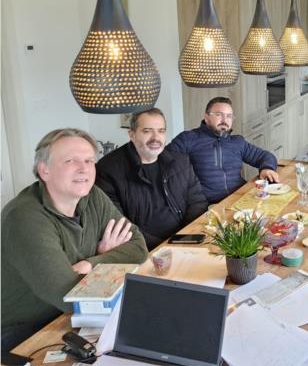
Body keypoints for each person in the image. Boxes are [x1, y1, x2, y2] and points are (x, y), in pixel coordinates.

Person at [1, 129, 148, 351]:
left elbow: (138, 247)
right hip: (24, 332)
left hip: (75, 317)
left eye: (89, 160)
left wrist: (92, 263)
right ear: (44, 170)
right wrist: (107, 258)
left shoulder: (92, 195)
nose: (83, 168)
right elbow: (69, 297)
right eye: (70, 160)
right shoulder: (24, 217)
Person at [96, 108, 208, 250]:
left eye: (161, 131)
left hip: (186, 240)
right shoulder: (108, 169)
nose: (156, 138)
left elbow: (197, 202)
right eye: (147, 131)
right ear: (132, 135)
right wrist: (164, 247)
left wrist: (186, 236)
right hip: (144, 249)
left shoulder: (180, 161)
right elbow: (119, 225)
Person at [169, 97, 279, 203]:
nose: (224, 120)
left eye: (229, 116)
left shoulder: (237, 142)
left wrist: (267, 168)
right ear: (206, 118)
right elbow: (165, 161)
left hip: (240, 198)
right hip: (207, 204)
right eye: (218, 115)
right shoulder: (188, 139)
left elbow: (265, 156)